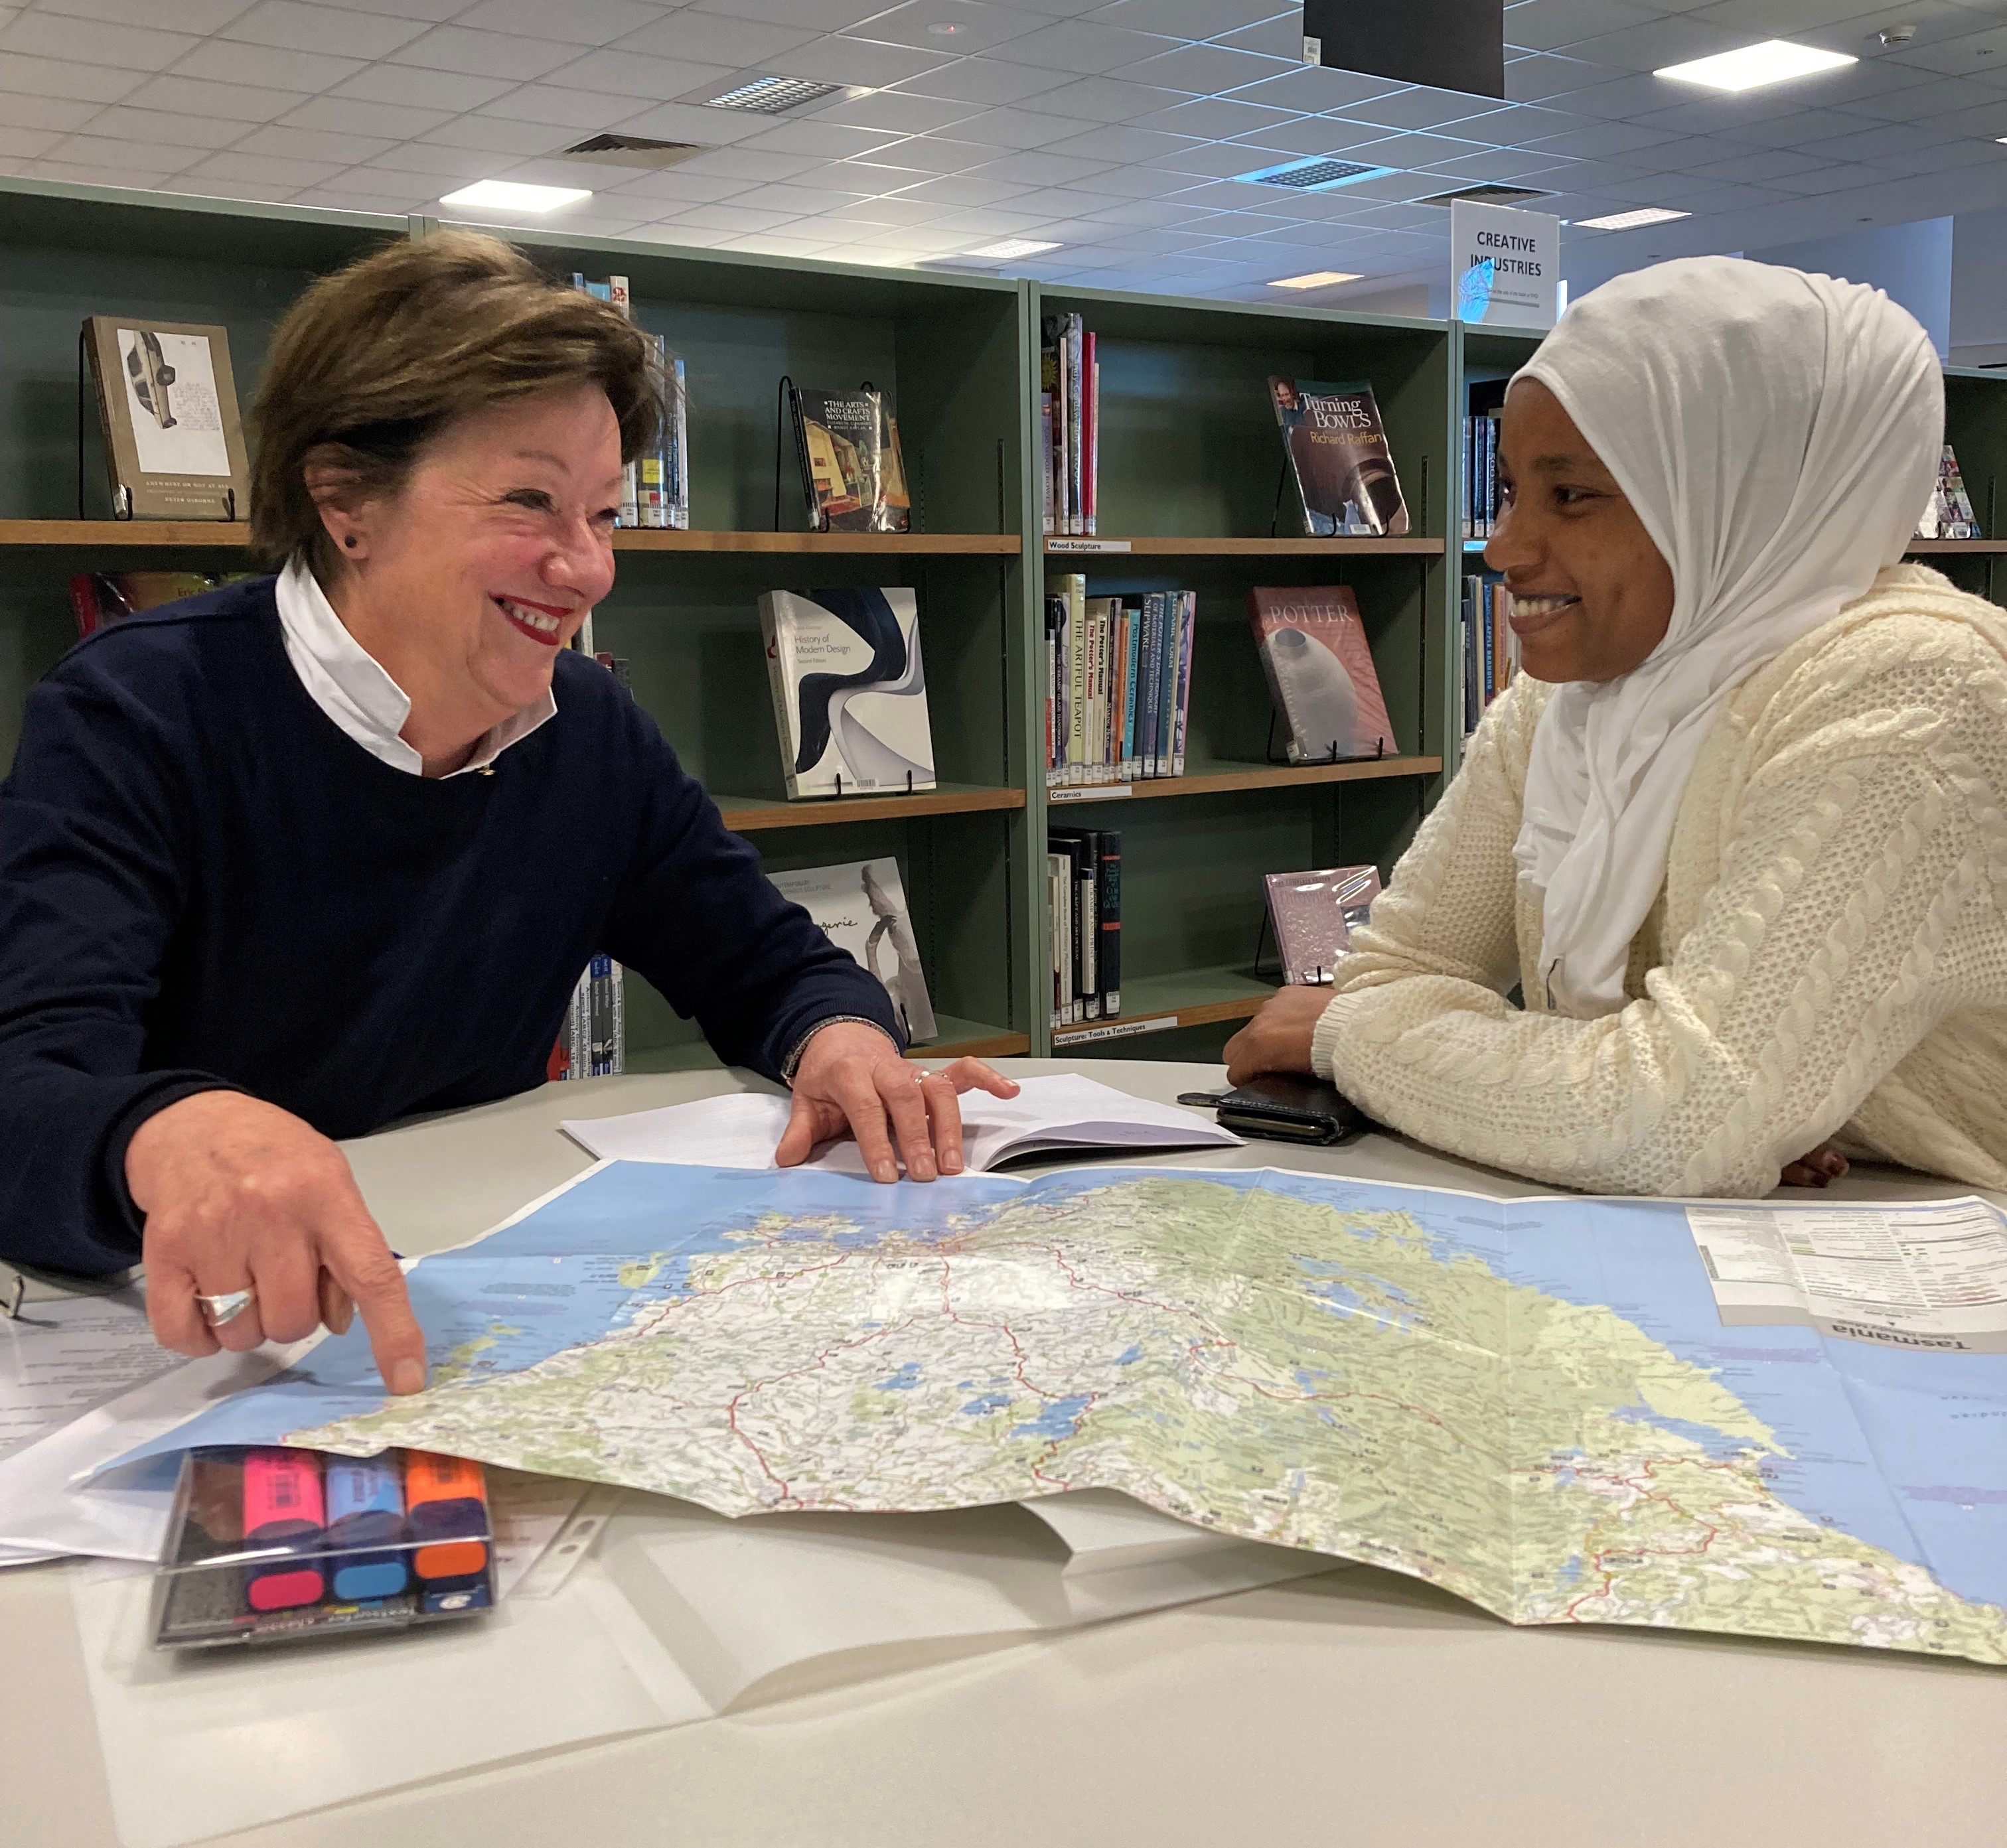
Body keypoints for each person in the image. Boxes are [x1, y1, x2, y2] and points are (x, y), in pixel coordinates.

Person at [0, 231, 1016, 1391]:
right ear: (345, 504)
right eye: (531, 501)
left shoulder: (588, 729)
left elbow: (769, 964)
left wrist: (842, 1041)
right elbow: (27, 1087)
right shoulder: (138, 709)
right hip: (196, 1340)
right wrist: (166, 1133)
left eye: (606, 514)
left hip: (478, 1299)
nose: (586, 569)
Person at [1226, 256, 2007, 1198]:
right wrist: (1660, 1109)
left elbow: (1670, 1120)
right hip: (1733, 1254)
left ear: (1737, 496)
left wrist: (1362, 1045)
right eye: (1511, 489)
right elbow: (1396, 972)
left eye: (1573, 494)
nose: (1502, 548)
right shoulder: (1566, 702)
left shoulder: (1911, 691)